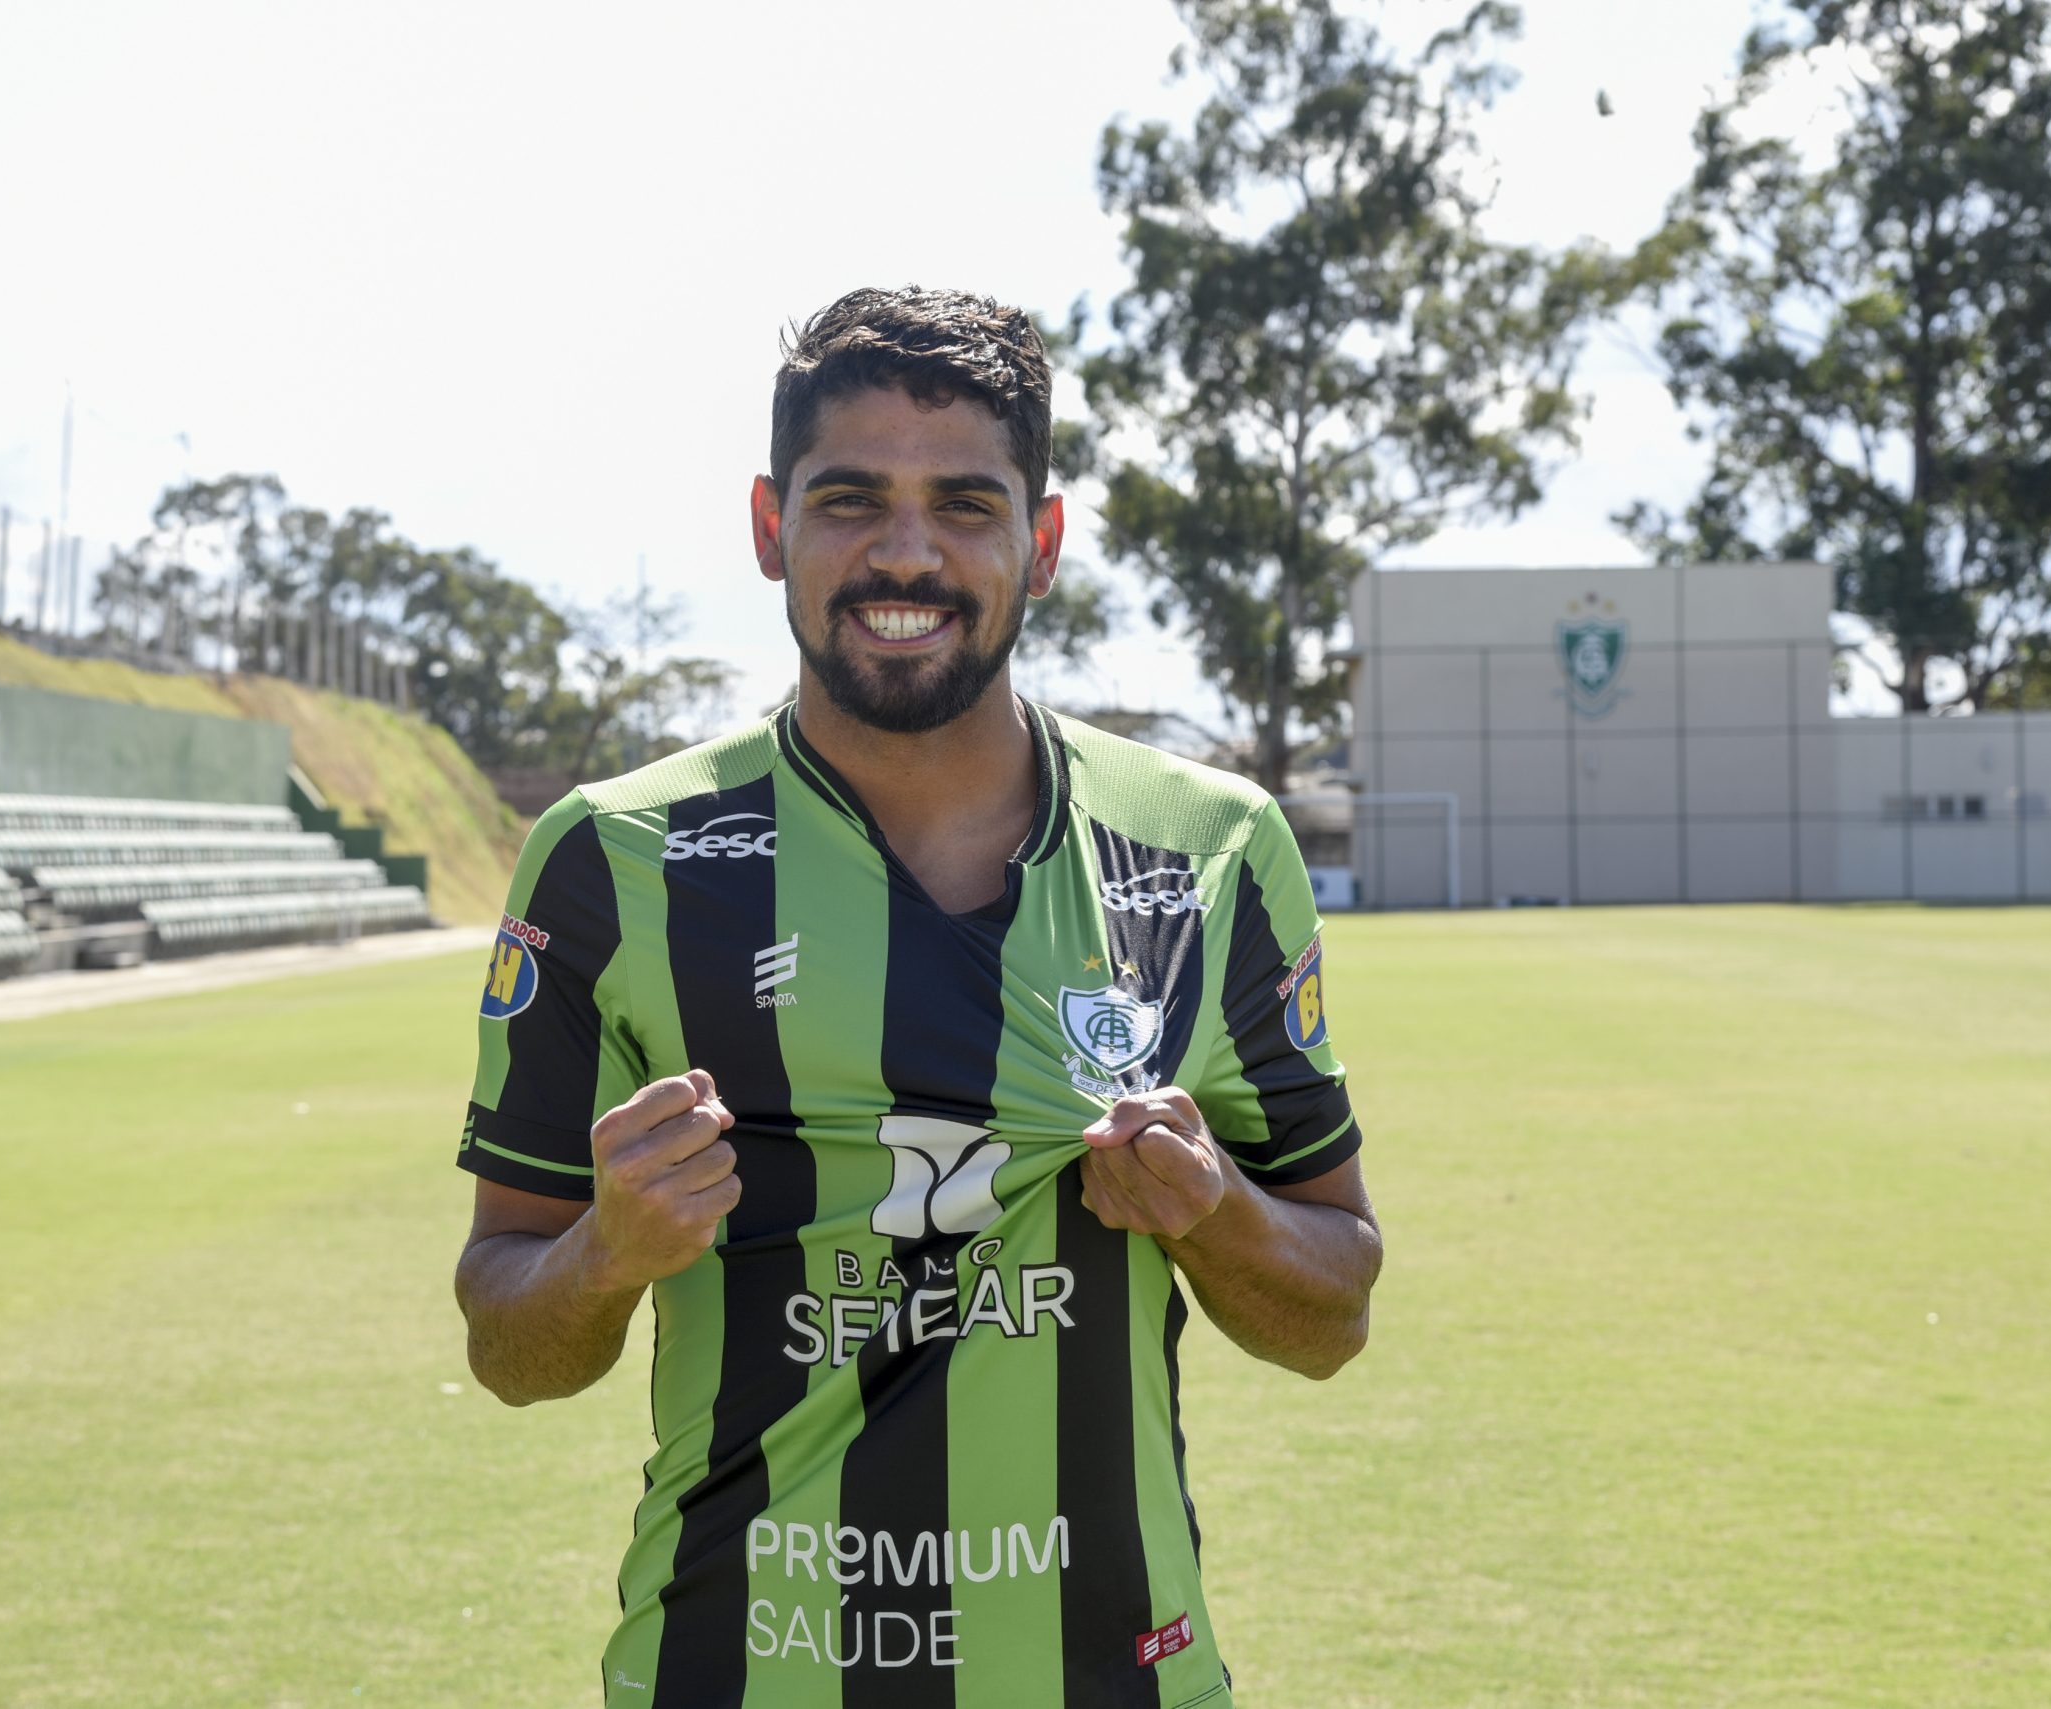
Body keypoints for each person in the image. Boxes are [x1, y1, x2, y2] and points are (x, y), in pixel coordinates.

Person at [453, 285, 1382, 1709]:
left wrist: (1219, 1215)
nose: (906, 553)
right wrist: (606, 1251)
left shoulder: (1213, 849)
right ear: (771, 527)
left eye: (963, 503)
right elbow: (507, 1339)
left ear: (1042, 541)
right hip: (738, 1676)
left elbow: (1333, 1310)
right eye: (849, 501)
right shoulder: (611, 860)